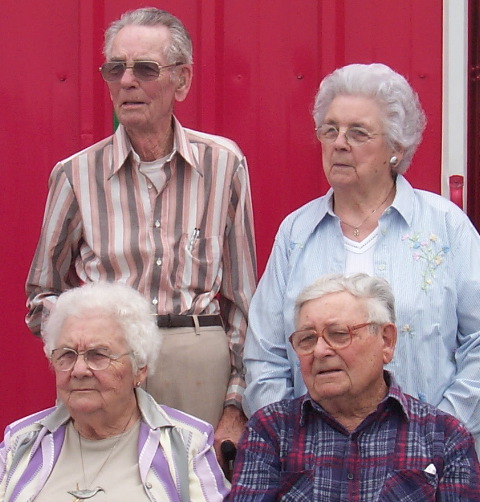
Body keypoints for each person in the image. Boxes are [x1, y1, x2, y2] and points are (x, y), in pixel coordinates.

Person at [25, 7, 257, 455]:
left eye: (146, 69)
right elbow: (40, 296)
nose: (127, 81)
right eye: (116, 68)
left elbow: (244, 300)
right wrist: (85, 350)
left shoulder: (224, 165)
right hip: (108, 372)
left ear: (182, 80)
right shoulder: (76, 175)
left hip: (198, 370)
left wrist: (235, 405)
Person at [243, 62, 480, 452]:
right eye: (330, 129)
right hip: (313, 463)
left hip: (429, 459)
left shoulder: (444, 227)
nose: (339, 143)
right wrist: (295, 440)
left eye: (358, 133)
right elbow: (264, 355)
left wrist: (441, 434)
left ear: (396, 148)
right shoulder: (296, 233)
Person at [230, 274, 480, 500]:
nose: (319, 351)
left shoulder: (444, 437)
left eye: (339, 334)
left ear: (386, 341)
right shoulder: (271, 431)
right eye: (307, 339)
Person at [1, 282, 229, 501]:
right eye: (67, 355)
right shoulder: (20, 443)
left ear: (140, 367)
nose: (79, 370)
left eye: (98, 355)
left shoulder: (187, 445)